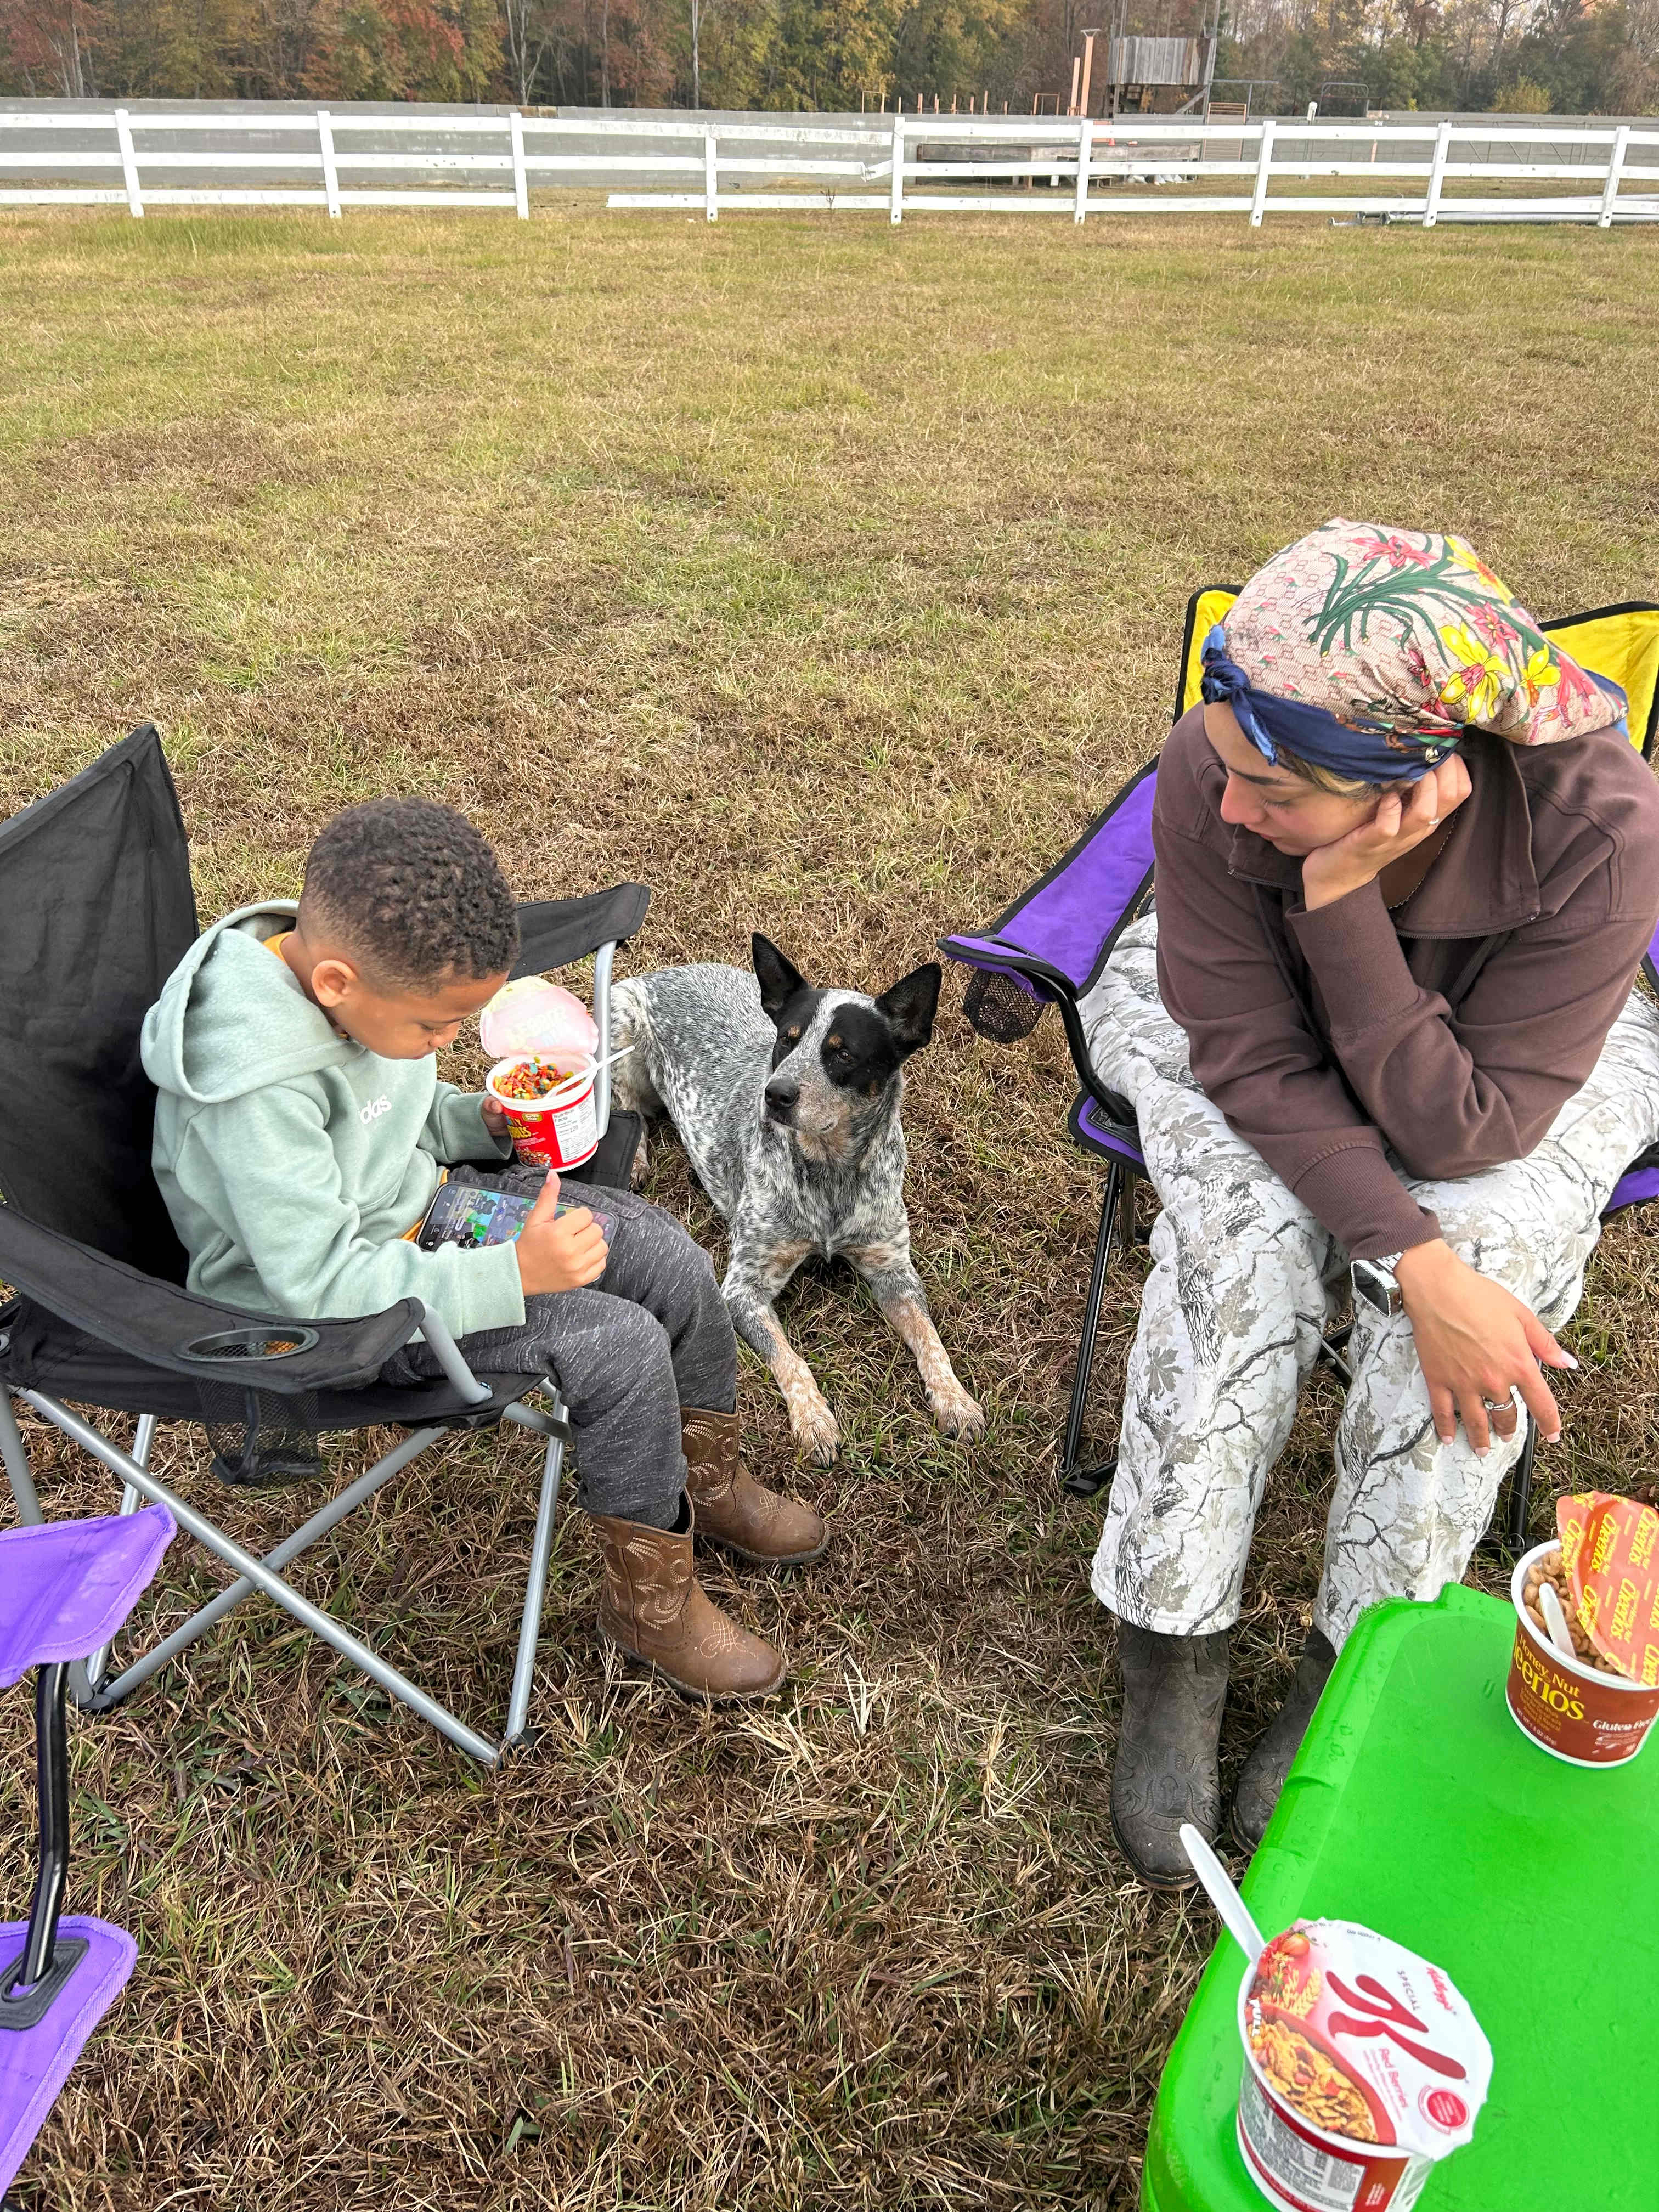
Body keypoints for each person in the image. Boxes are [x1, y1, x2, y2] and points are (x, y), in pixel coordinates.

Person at [1077, 521, 1659, 1886]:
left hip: (1513, 1054)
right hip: (1243, 1013)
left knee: (1494, 1244)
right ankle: (1171, 1643)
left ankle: (1365, 1655)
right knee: (1243, 1235)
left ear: (1417, 779)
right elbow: (1247, 1052)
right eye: (1228, 765)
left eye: (1273, 789)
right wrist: (1404, 1253)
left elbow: (1471, 1129)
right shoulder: (1212, 771)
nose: (1226, 810)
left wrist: (1339, 907)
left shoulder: (1603, 823)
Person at [142, 797, 826, 1704]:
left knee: (666, 1254)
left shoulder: (360, 997)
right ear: (339, 984)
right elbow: (317, 1281)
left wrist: (475, 1118)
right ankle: (651, 1607)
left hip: (427, 1215)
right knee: (610, 1343)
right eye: (434, 1029)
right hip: (324, 1316)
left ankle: (712, 1481)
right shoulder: (251, 1089)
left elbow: (397, 1111)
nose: (446, 1043)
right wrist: (511, 1273)